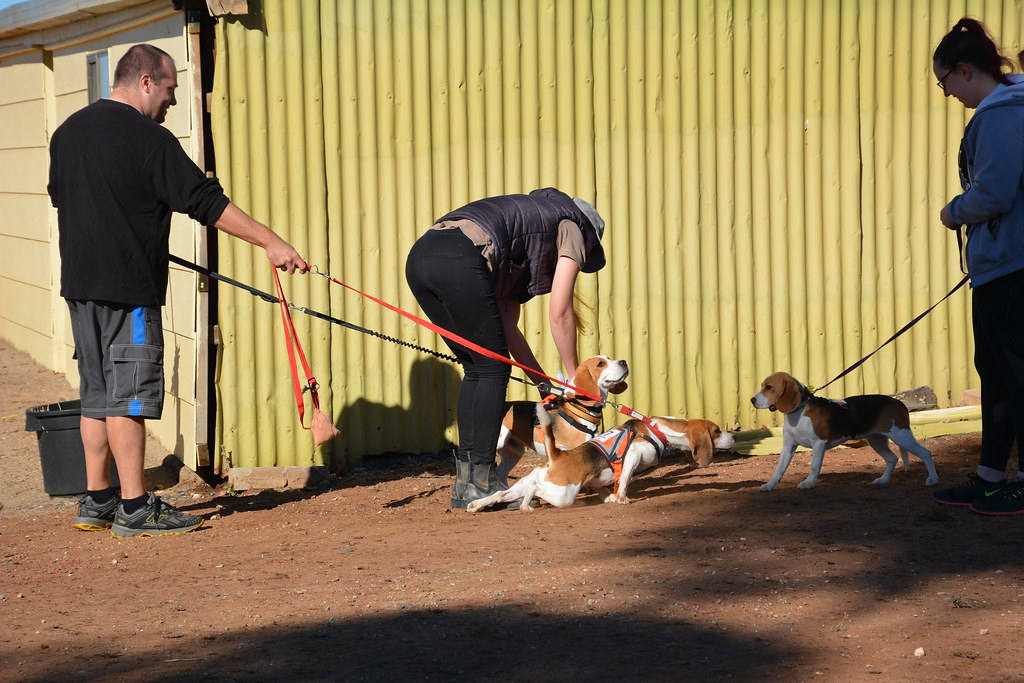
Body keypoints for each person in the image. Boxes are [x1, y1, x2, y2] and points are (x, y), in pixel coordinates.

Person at [47, 44, 308, 537]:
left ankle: (97, 499)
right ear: (145, 81)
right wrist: (271, 242)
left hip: (80, 288)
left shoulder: (67, 134)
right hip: (129, 291)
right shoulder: (151, 140)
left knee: (97, 396)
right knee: (128, 399)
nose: (170, 102)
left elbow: (66, 199)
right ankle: (134, 507)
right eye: (168, 90)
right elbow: (205, 202)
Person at [405, 188, 606, 509]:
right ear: (590, 240)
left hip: (422, 258)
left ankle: (467, 485)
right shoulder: (573, 226)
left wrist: (544, 386)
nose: (580, 260)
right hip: (457, 257)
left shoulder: (518, 248)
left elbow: (508, 332)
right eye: (586, 256)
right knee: (490, 370)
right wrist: (573, 377)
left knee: (480, 366)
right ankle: (482, 483)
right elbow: (560, 311)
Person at [930, 19, 1024, 515]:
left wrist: (954, 211)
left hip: (1014, 267)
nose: (949, 94)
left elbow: (995, 191)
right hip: (997, 266)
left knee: (1018, 374)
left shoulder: (1003, 114)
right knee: (995, 371)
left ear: (965, 70)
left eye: (945, 83)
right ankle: (990, 476)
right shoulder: (1001, 111)